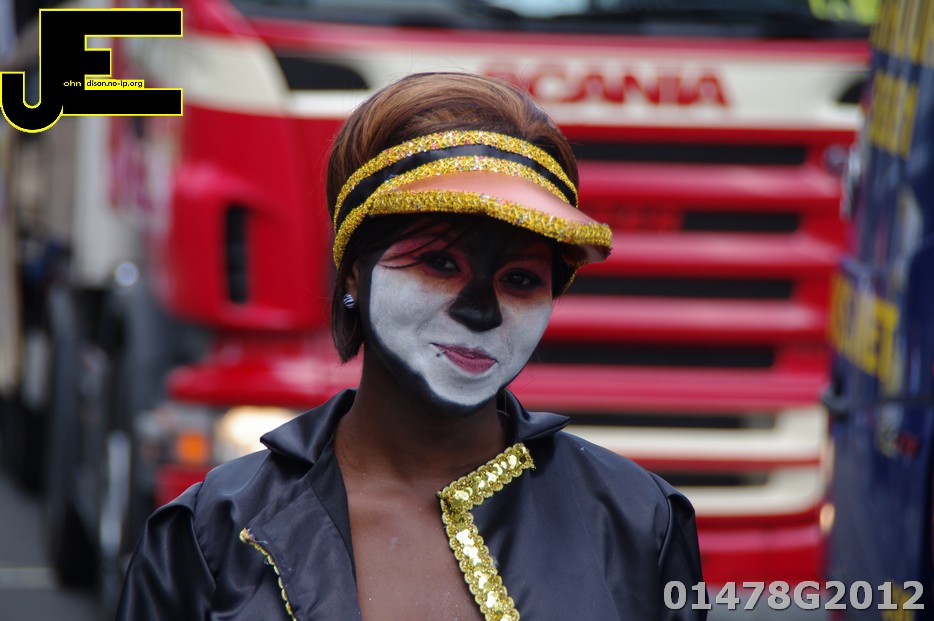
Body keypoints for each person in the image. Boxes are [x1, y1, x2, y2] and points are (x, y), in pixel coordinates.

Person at [116, 71, 705, 621]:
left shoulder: (639, 522)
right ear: (354, 272)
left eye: (521, 280)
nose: (480, 312)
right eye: (439, 263)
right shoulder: (210, 534)